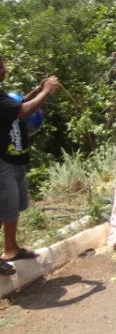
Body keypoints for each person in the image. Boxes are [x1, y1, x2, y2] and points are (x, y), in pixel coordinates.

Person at [0, 55, 59, 275]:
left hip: (12, 158)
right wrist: (46, 92)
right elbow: (23, 111)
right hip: (2, 161)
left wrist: (38, 89)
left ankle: (11, 249)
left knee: (10, 207)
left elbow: (15, 105)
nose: (4, 70)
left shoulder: (2, 95)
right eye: (1, 67)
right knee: (4, 207)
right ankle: (9, 249)